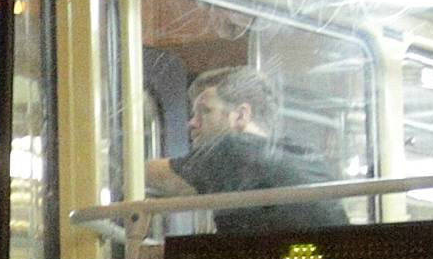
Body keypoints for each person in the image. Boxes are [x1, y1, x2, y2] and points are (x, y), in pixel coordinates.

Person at [143, 64, 348, 235]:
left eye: (205, 111)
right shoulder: (305, 156)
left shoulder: (233, 149)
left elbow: (149, 175)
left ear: (241, 115)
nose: (192, 123)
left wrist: (113, 166)